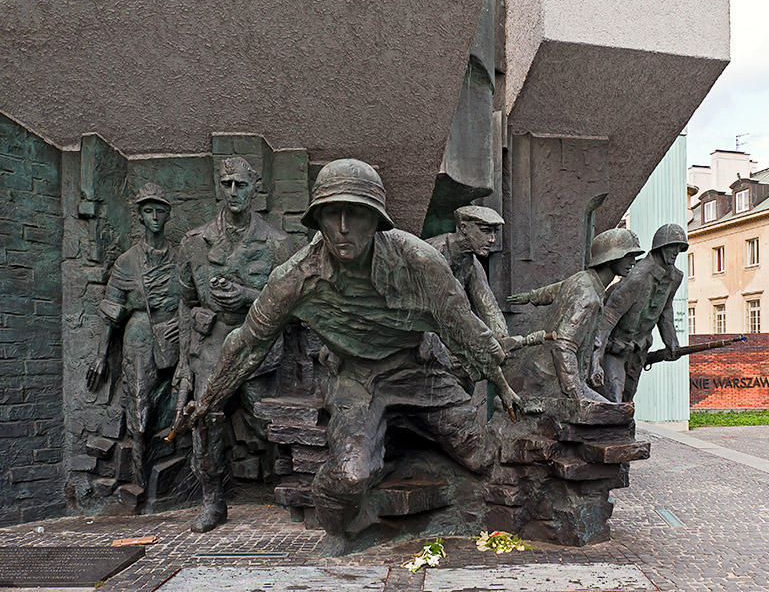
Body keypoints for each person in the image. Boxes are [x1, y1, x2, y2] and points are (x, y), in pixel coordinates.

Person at [179, 158, 521, 537]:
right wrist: (209, 399)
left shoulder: (420, 262)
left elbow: (464, 326)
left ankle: (407, 462)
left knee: (480, 452)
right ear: (317, 220)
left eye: (355, 214)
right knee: (349, 476)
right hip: (354, 377)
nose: (343, 228)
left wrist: (501, 383)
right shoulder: (295, 277)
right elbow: (245, 345)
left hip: (416, 370)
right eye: (331, 215)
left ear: (376, 220)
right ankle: (349, 527)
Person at [174, 156, 293, 532]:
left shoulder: (277, 243)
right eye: (226, 184)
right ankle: (213, 500)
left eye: (240, 185)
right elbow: (185, 301)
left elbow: (292, 304)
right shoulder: (195, 243)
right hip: (211, 346)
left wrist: (247, 296)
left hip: (256, 346)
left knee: (271, 418)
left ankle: (299, 486)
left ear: (255, 188)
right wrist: (182, 360)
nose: (233, 192)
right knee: (205, 420)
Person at [86, 183, 180, 490]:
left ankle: (178, 466)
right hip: (139, 333)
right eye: (148, 211)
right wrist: (100, 356)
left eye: (160, 211)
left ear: (168, 215)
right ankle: (140, 476)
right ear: (140, 216)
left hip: (176, 331)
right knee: (139, 400)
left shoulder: (179, 257)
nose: (154, 217)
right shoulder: (127, 261)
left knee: (180, 396)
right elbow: (111, 311)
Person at [506, 229, 643, 403]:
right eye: (628, 255)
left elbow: (556, 289)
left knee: (613, 411)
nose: (633, 262)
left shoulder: (584, 278)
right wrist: (577, 396)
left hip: (552, 372)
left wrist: (531, 296)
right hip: (550, 381)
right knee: (615, 417)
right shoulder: (589, 298)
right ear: (611, 258)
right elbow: (563, 347)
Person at [589, 223, 688, 403]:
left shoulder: (675, 277)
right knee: (614, 400)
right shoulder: (637, 277)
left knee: (628, 399)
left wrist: (671, 342)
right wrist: (596, 359)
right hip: (615, 348)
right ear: (661, 247)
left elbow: (665, 310)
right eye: (672, 246)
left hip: (638, 350)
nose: (676, 251)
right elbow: (608, 318)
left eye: (679, 248)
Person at [426, 205, 507, 338]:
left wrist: (504, 339)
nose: (492, 239)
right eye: (485, 231)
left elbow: (488, 305)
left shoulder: (472, 263)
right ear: (464, 228)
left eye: (494, 232)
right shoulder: (434, 252)